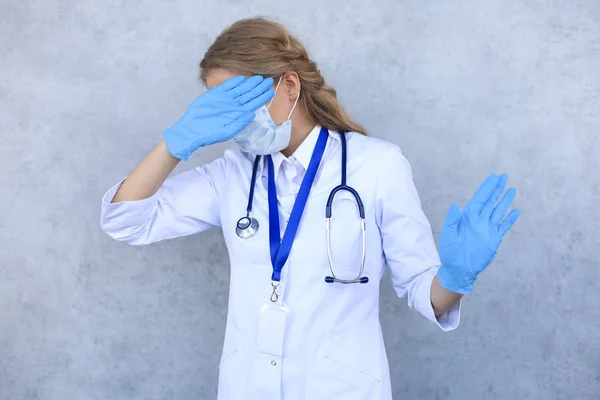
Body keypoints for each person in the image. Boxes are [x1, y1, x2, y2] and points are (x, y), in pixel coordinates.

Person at [100, 17, 520, 400]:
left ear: (289, 86)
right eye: (220, 108)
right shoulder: (231, 174)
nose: (233, 120)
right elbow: (126, 221)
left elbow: (423, 292)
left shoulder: (376, 165)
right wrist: (176, 143)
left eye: (240, 99)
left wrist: (455, 278)